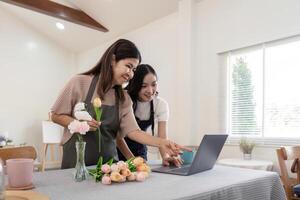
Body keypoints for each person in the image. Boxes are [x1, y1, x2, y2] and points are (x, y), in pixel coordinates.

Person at [51, 39, 189, 169]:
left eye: (134, 69)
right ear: (112, 60)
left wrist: (163, 143)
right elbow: (56, 115)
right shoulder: (79, 82)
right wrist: (79, 125)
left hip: (109, 167)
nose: (130, 74)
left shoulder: (124, 98)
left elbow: (133, 132)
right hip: (76, 164)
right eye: (128, 66)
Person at [117, 64, 182, 166]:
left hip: (140, 153)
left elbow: (162, 138)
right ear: (135, 85)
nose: (150, 91)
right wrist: (131, 159)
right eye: (144, 86)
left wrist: (166, 157)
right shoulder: (124, 99)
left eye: (154, 84)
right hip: (119, 152)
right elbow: (117, 136)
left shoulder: (160, 104)